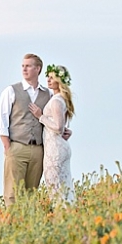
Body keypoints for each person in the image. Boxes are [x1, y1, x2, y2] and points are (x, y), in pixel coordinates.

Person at [0, 54, 70, 206]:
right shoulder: (11, 91)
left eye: (28, 66)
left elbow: (54, 118)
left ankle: (28, 220)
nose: (24, 69)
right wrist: (8, 147)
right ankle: (12, 220)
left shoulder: (48, 94)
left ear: (38, 69)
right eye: (23, 66)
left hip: (39, 150)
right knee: (12, 192)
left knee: (31, 193)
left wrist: (65, 130)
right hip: (17, 146)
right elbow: (1, 120)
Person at [29, 64, 75, 202]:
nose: (48, 80)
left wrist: (40, 116)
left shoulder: (56, 101)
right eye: (48, 77)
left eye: (52, 78)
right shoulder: (60, 99)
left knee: (55, 186)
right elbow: (61, 126)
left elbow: (58, 127)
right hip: (57, 145)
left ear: (59, 81)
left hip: (55, 149)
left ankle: (63, 211)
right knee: (63, 186)